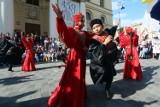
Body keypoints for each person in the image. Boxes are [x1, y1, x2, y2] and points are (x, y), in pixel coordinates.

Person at [48, 4, 93, 107]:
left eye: (83, 21)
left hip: (82, 57)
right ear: (76, 21)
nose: (83, 23)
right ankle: (73, 97)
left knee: (81, 76)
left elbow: (92, 37)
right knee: (74, 76)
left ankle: (80, 93)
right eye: (81, 21)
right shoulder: (72, 31)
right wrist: (60, 19)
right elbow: (64, 32)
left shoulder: (84, 33)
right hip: (74, 57)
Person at [88, 19, 116, 99]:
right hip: (98, 62)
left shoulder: (106, 33)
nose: (96, 29)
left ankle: (107, 89)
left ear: (102, 26)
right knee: (102, 74)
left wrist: (116, 25)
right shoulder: (93, 40)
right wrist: (104, 43)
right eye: (94, 28)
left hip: (108, 58)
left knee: (110, 74)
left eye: (98, 26)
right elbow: (94, 54)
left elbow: (112, 32)